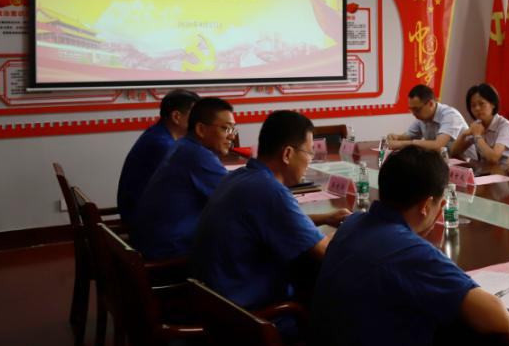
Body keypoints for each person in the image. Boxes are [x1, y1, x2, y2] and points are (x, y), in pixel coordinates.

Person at [313, 145, 509, 346]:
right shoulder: (409, 252)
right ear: (427, 205)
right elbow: (498, 319)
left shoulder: (352, 224)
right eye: (440, 204)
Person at [192, 110, 350, 311]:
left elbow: (273, 219)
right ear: (287, 154)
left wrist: (326, 218)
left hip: (213, 300)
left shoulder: (241, 176)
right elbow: (326, 253)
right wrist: (354, 233)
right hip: (248, 315)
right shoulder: (269, 191)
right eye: (310, 153)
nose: (310, 160)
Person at [130, 97, 234, 260]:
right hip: (169, 252)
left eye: (233, 129)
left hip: (149, 241)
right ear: (200, 129)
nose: (231, 136)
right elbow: (237, 199)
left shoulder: (183, 145)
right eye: (226, 129)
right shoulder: (197, 156)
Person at [116, 89, 199, 224]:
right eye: (195, 115)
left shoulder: (158, 133)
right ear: (176, 117)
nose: (199, 121)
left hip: (140, 212)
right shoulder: (162, 145)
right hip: (147, 222)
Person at [386, 84, 468, 154]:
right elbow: (410, 136)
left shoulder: (450, 115)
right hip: (447, 160)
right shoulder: (422, 117)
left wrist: (405, 144)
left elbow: (438, 145)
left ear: (431, 104)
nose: (413, 113)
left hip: (468, 163)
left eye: (416, 109)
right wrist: (397, 137)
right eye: (411, 109)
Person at [449, 83, 509, 164]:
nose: (477, 108)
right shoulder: (477, 125)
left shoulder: (505, 126)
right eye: (473, 105)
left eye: (481, 103)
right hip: (484, 169)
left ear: (493, 104)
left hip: (504, 170)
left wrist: (477, 136)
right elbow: (453, 152)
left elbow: (494, 158)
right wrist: (463, 135)